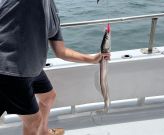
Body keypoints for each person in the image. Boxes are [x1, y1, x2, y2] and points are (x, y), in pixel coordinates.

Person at [0, 0, 110, 135]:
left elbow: (61, 51)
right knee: (34, 121)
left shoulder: (51, 9)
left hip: (33, 67)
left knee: (48, 97)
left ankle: (44, 132)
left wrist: (93, 59)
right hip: (10, 70)